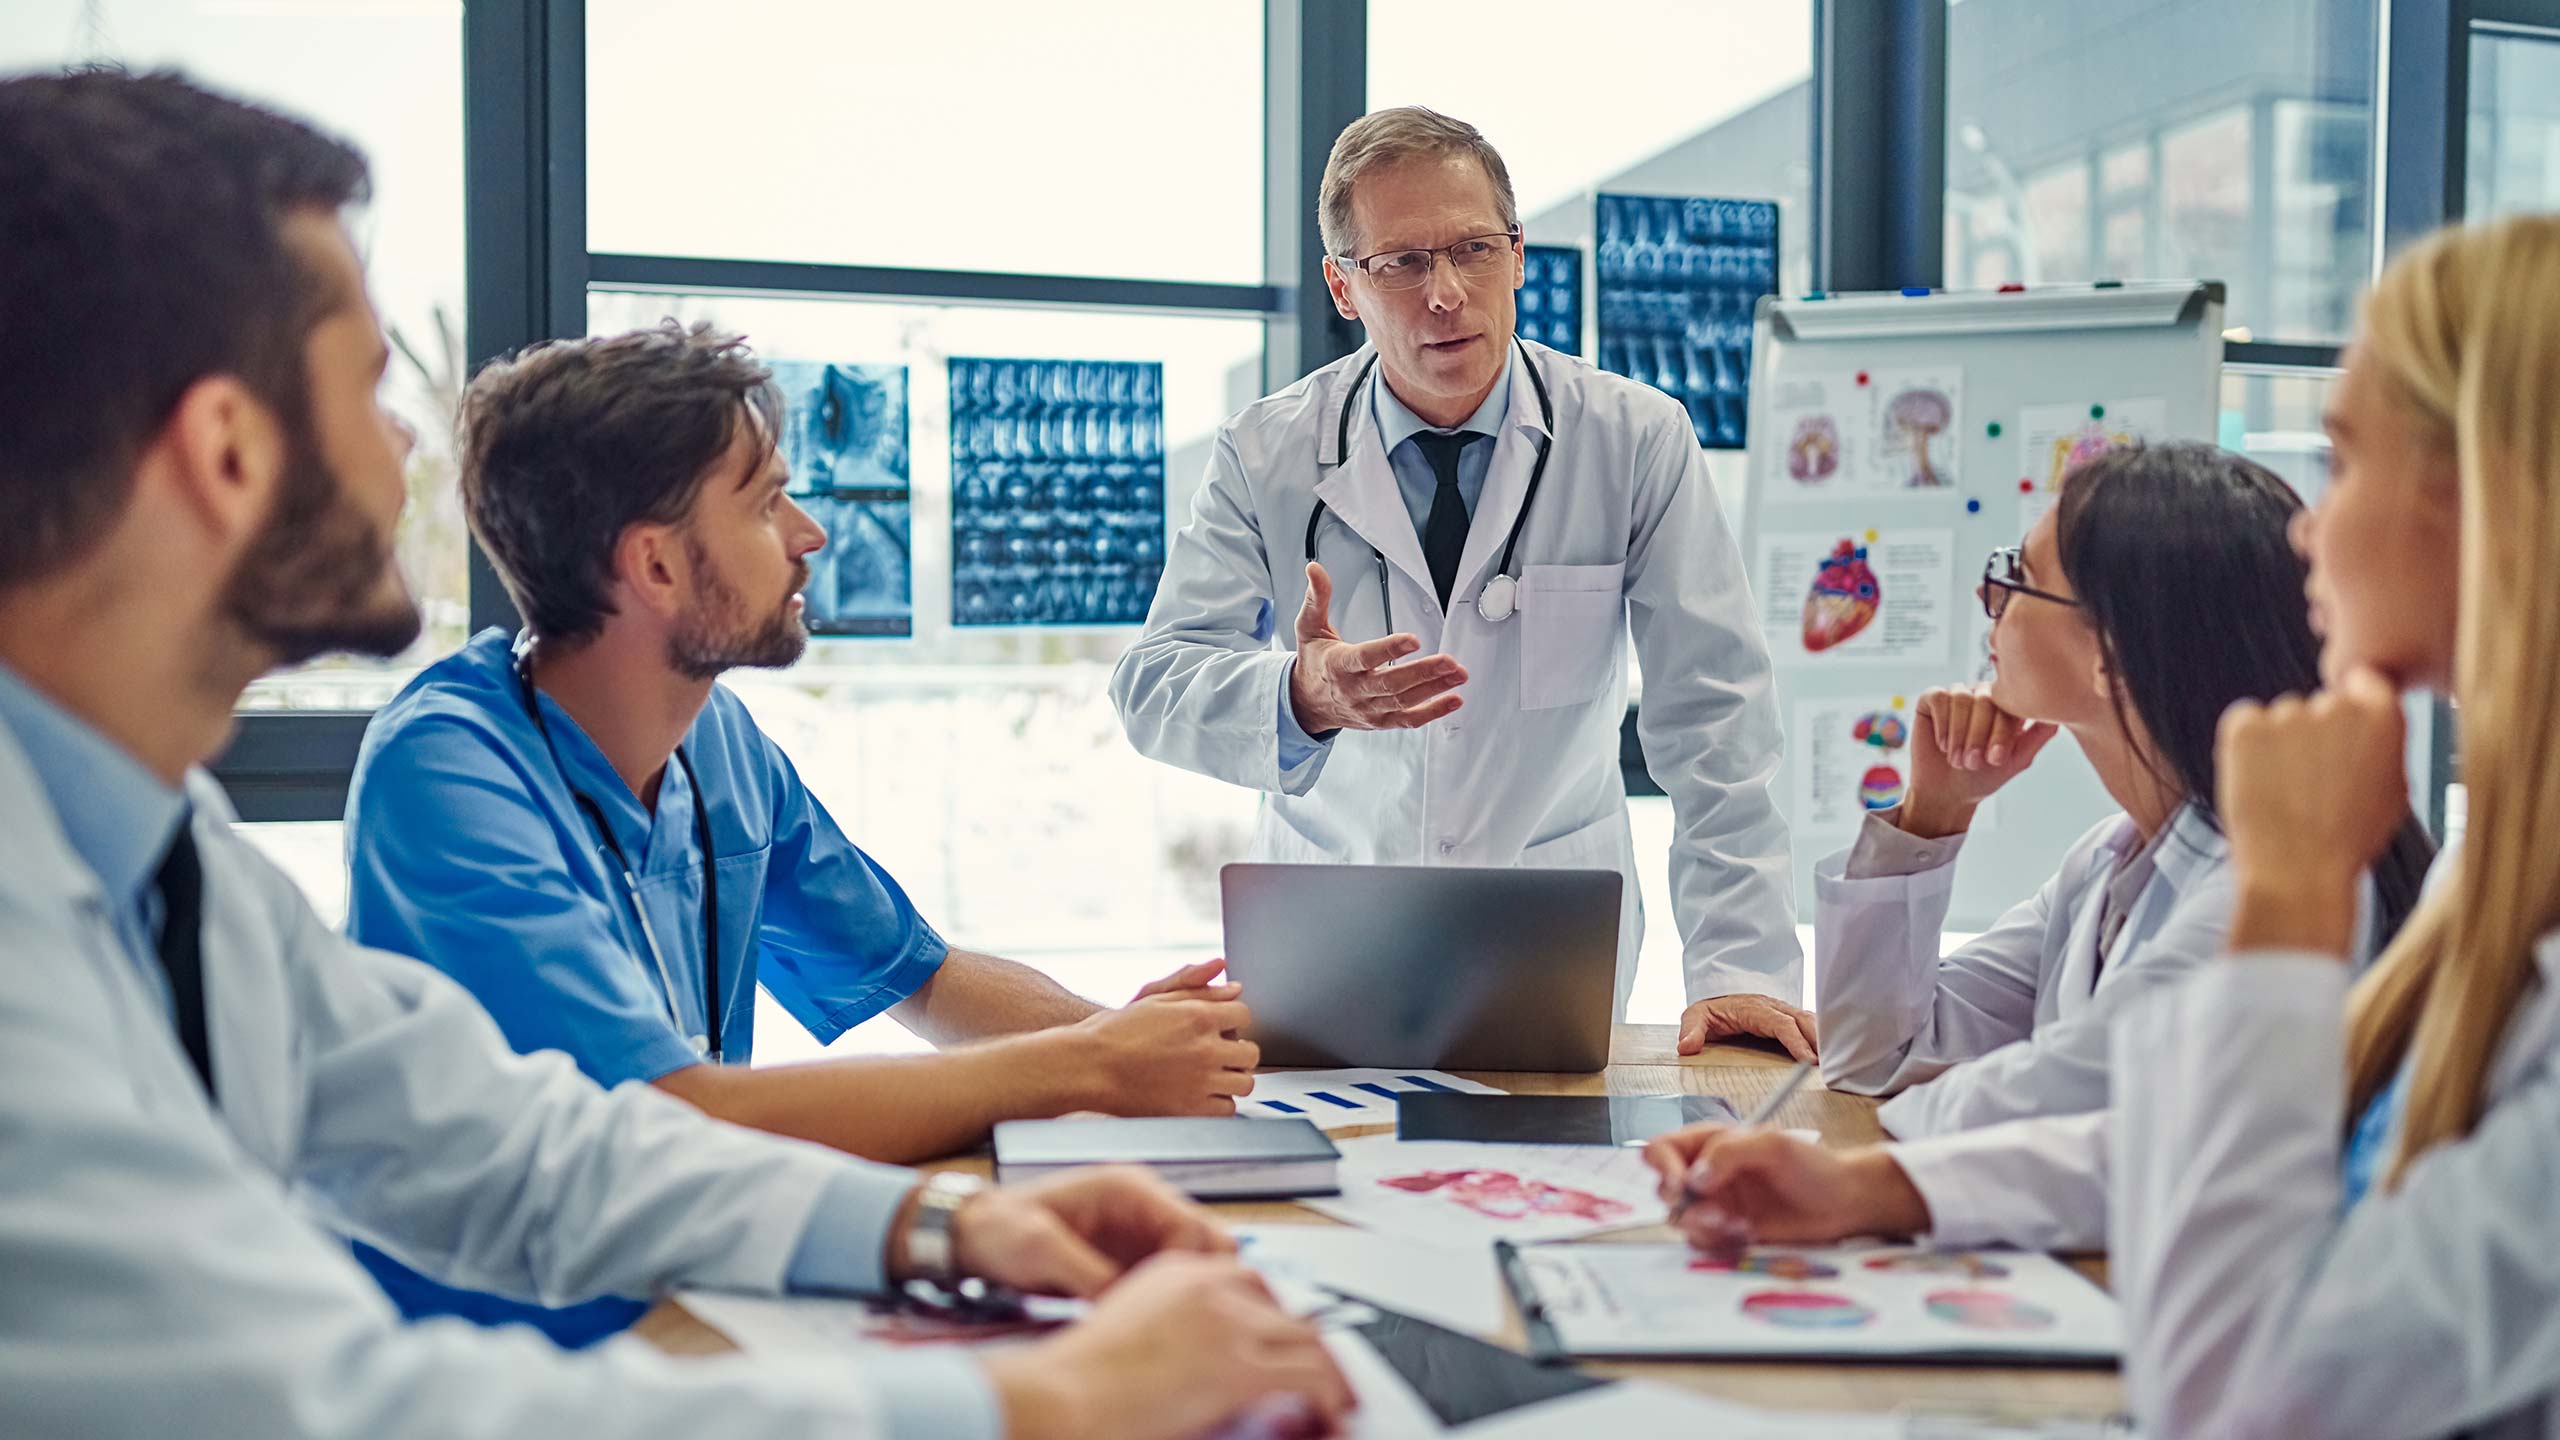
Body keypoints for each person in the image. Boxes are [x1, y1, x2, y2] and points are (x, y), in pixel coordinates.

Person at [0, 67, 1350, 1440]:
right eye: (362, 383)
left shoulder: (173, 867)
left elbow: (525, 1151)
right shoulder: (381, 787)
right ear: (226, 452)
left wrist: (939, 1228)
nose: (405, 437)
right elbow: (329, 1410)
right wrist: (1042, 1397)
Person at [340, 321, 1263, 1342]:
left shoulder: (718, 742)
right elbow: (673, 1119)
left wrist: (1142, 1043)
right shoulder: (447, 772)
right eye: (767, 500)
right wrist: (1089, 1064)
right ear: (653, 567)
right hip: (517, 1348)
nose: (811, 533)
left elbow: (926, 979)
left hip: (703, 1284)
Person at [1110, 106, 1807, 1057]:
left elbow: (1716, 720)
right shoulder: (1266, 451)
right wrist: (1300, 694)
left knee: (1557, 1183)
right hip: (1334, 933)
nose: (1446, 294)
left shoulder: (1633, 438)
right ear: (1343, 287)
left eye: (1474, 250)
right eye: (1400, 263)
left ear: (1518, 257)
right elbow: (1152, 683)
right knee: (1341, 1181)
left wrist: (1739, 971)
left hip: (1550, 926)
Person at [1640, 442, 2432, 1254]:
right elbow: (1872, 1055)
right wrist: (1930, 814)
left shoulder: (2250, 894)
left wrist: (1876, 1161)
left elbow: (2013, 1111)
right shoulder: (2111, 859)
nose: (1989, 600)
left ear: (2109, 654)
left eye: (2015, 578)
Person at [2105, 216, 2560, 1438]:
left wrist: (2289, 897)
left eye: (2344, 463)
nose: (2308, 526)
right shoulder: (2499, 886)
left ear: (2486, 496)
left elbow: (2233, 1406)